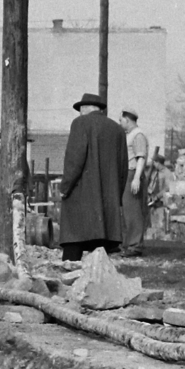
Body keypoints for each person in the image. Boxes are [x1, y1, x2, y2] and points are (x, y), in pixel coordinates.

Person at [58, 92, 127, 262]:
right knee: (100, 257)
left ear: (85, 108)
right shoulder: (117, 129)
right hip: (106, 206)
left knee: (72, 249)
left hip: (81, 200)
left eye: (80, 109)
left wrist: (64, 188)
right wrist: (115, 199)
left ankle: (69, 282)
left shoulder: (80, 123)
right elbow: (123, 169)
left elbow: (74, 161)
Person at [120, 108, 150, 256]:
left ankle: (135, 245)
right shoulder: (129, 135)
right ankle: (129, 244)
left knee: (133, 211)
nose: (120, 123)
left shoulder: (138, 135)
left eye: (122, 120)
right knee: (127, 211)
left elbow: (141, 158)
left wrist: (136, 178)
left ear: (127, 120)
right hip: (127, 174)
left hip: (133, 174)